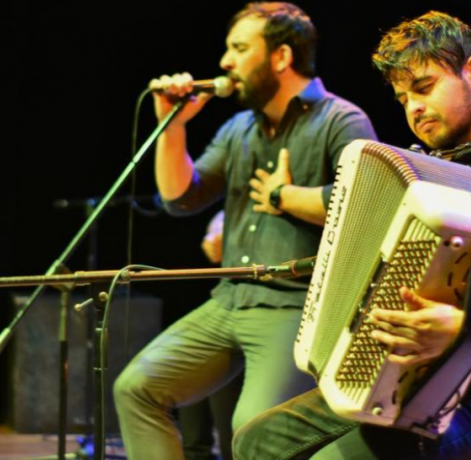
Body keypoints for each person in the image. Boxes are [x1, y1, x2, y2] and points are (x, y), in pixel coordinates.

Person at [233, 10, 471, 460]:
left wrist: (467, 328)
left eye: (424, 88)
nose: (414, 109)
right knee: (255, 443)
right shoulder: (432, 168)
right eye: (403, 98)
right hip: (408, 376)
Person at [112, 3, 377, 459]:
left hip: (292, 307)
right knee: (136, 387)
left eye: (238, 48)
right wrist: (170, 127)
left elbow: (367, 207)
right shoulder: (239, 128)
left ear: (280, 57)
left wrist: (286, 196)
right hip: (229, 300)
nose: (225, 63)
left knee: (250, 429)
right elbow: (181, 198)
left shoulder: (341, 120)